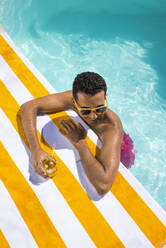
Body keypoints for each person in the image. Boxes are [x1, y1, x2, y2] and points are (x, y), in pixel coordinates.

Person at [20, 72, 135, 195]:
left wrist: (79, 142)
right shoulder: (77, 98)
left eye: (100, 108)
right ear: (74, 102)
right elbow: (28, 107)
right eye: (85, 111)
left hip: (119, 147)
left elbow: (103, 185)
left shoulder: (112, 127)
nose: (93, 116)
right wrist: (36, 150)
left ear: (105, 98)